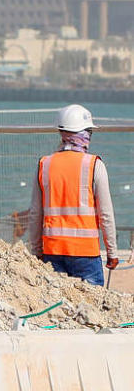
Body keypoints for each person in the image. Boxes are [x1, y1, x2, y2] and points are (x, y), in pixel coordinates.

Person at [28, 104, 120, 286]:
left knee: (57, 307)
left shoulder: (44, 164)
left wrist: (36, 250)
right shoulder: (94, 165)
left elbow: (35, 214)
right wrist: (112, 252)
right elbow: (106, 214)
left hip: (52, 250)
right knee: (90, 309)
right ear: (84, 133)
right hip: (85, 253)